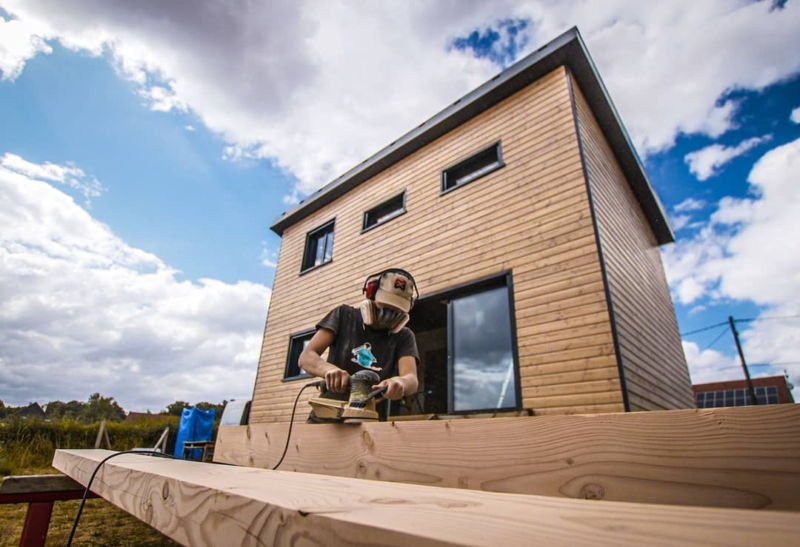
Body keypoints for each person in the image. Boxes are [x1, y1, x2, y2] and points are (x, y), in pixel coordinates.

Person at [299, 268, 420, 422]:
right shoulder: (344, 316)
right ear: (371, 293)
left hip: (369, 421)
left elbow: (411, 378)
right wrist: (330, 371)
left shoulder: (403, 336)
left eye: (396, 310)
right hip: (326, 417)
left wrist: (400, 383)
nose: (388, 314)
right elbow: (306, 357)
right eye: (385, 306)